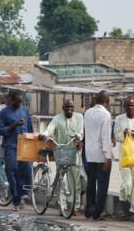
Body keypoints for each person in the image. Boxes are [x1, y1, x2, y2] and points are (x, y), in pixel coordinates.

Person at [39, 98, 86, 202]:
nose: (69, 109)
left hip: (74, 152)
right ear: (63, 108)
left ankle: (76, 205)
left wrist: (78, 137)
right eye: (67, 107)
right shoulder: (57, 118)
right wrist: (44, 134)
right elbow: (50, 129)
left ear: (74, 108)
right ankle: (63, 205)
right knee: (62, 180)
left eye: (71, 107)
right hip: (60, 152)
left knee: (77, 180)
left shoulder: (79, 117)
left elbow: (80, 132)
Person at [0, 90, 33, 209]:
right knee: (12, 170)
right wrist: (14, 125)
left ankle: (23, 194)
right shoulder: (4, 113)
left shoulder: (25, 111)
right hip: (10, 146)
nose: (19, 105)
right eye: (17, 102)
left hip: (24, 146)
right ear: (12, 100)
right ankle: (16, 199)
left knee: (26, 171)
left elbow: (30, 130)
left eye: (21, 102)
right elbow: (0, 130)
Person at [83, 90, 113, 220]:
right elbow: (105, 137)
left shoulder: (87, 113)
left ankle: (89, 208)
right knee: (102, 184)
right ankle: (97, 212)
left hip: (89, 153)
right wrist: (108, 157)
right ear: (107, 101)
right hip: (101, 154)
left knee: (91, 182)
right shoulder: (106, 115)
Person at [113, 96, 134, 219]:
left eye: (132, 105)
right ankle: (121, 201)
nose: (130, 108)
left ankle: (132, 211)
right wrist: (124, 134)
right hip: (125, 156)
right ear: (124, 107)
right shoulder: (119, 119)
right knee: (128, 183)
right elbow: (116, 135)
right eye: (128, 105)